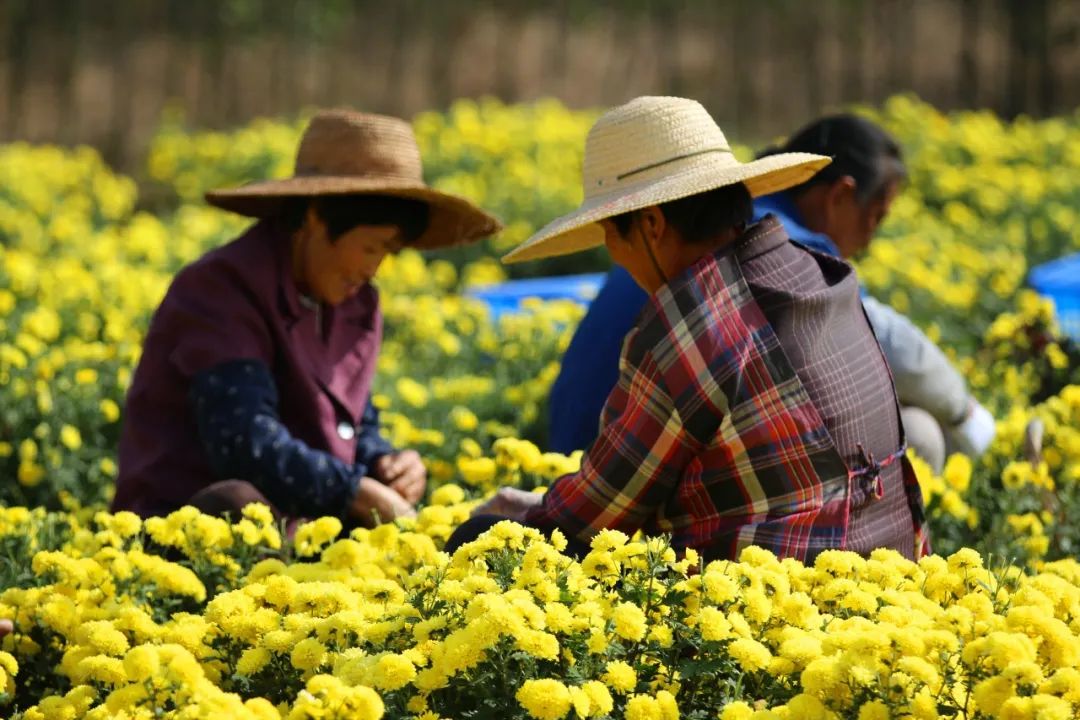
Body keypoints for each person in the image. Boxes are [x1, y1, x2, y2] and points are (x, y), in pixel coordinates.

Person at [448, 96, 928, 563]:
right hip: (894, 576)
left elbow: (589, 520)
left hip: (782, 598)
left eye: (610, 234)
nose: (614, 254)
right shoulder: (817, 268)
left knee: (481, 540)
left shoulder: (689, 323)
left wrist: (515, 517)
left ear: (651, 224)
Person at [112, 110, 500, 528]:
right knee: (235, 503)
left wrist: (387, 463)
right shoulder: (219, 289)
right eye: (371, 247)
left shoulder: (355, 304)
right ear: (315, 218)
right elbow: (244, 442)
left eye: (389, 252)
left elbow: (350, 426)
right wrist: (353, 491)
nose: (374, 269)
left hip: (306, 525)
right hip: (186, 528)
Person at [548, 114, 995, 474]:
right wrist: (967, 415)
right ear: (840, 196)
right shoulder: (773, 246)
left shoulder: (692, 243)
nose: (870, 241)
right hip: (613, 467)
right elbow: (886, 342)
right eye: (875, 218)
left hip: (577, 448)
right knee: (917, 433)